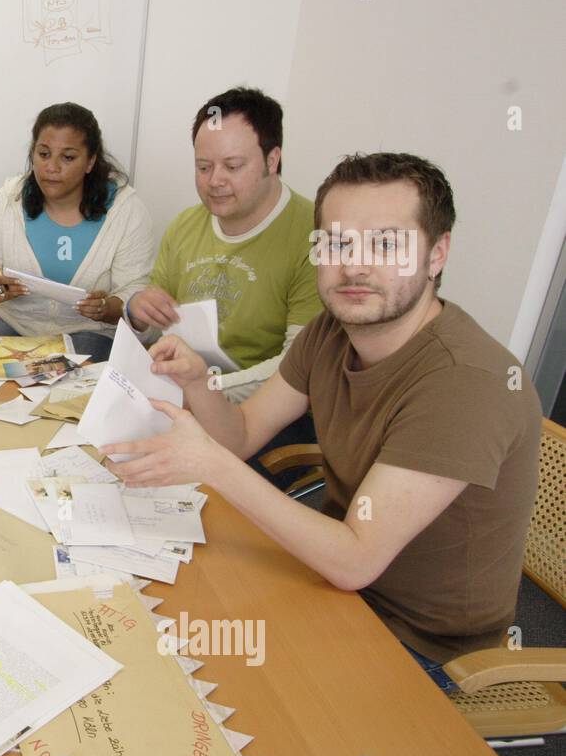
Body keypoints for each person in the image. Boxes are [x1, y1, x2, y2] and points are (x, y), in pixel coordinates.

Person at [103, 153, 542, 686]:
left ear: (436, 253)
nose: (354, 266)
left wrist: (211, 465)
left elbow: (357, 559)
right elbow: (240, 437)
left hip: (419, 639)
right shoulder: (331, 330)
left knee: (226, 688)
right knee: (156, 634)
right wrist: (199, 382)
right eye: (336, 244)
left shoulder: (468, 383)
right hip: (328, 577)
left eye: (386, 244)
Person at [126, 87, 322, 403]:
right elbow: (156, 329)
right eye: (203, 167)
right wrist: (137, 312)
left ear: (272, 160)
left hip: (262, 409)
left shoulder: (314, 236)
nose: (214, 181)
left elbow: (299, 365)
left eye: (232, 167)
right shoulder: (184, 226)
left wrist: (203, 391)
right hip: (183, 391)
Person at [0, 102, 155, 363]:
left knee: (67, 384)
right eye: (43, 154)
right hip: (13, 322)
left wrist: (104, 309)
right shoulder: (10, 198)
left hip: (88, 331)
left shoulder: (125, 209)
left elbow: (136, 294)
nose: (51, 167)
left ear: (90, 162)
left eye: (67, 157)